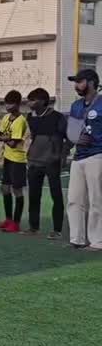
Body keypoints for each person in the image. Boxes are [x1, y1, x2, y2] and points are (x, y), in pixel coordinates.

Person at [23, 87, 67, 240]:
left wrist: (61, 156)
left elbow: (66, 138)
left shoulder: (58, 117)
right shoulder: (30, 117)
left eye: (32, 100)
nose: (29, 103)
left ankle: (57, 230)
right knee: (34, 195)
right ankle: (33, 227)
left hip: (51, 162)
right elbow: (33, 137)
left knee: (56, 195)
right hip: (34, 161)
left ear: (42, 101)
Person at [66, 68, 102, 251]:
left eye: (79, 82)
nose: (76, 85)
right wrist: (76, 139)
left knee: (97, 199)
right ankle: (77, 238)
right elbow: (72, 132)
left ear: (91, 82)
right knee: (74, 199)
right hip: (79, 156)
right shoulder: (76, 106)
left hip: (97, 154)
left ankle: (97, 241)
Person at [0, 90, 29, 234]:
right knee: (4, 188)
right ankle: (8, 219)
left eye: (11, 104)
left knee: (17, 190)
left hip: (18, 160)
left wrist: (6, 138)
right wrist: (7, 138)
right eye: (6, 103)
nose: (8, 106)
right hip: (7, 158)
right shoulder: (6, 117)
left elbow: (14, 144)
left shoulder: (20, 120)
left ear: (18, 104)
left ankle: (16, 223)